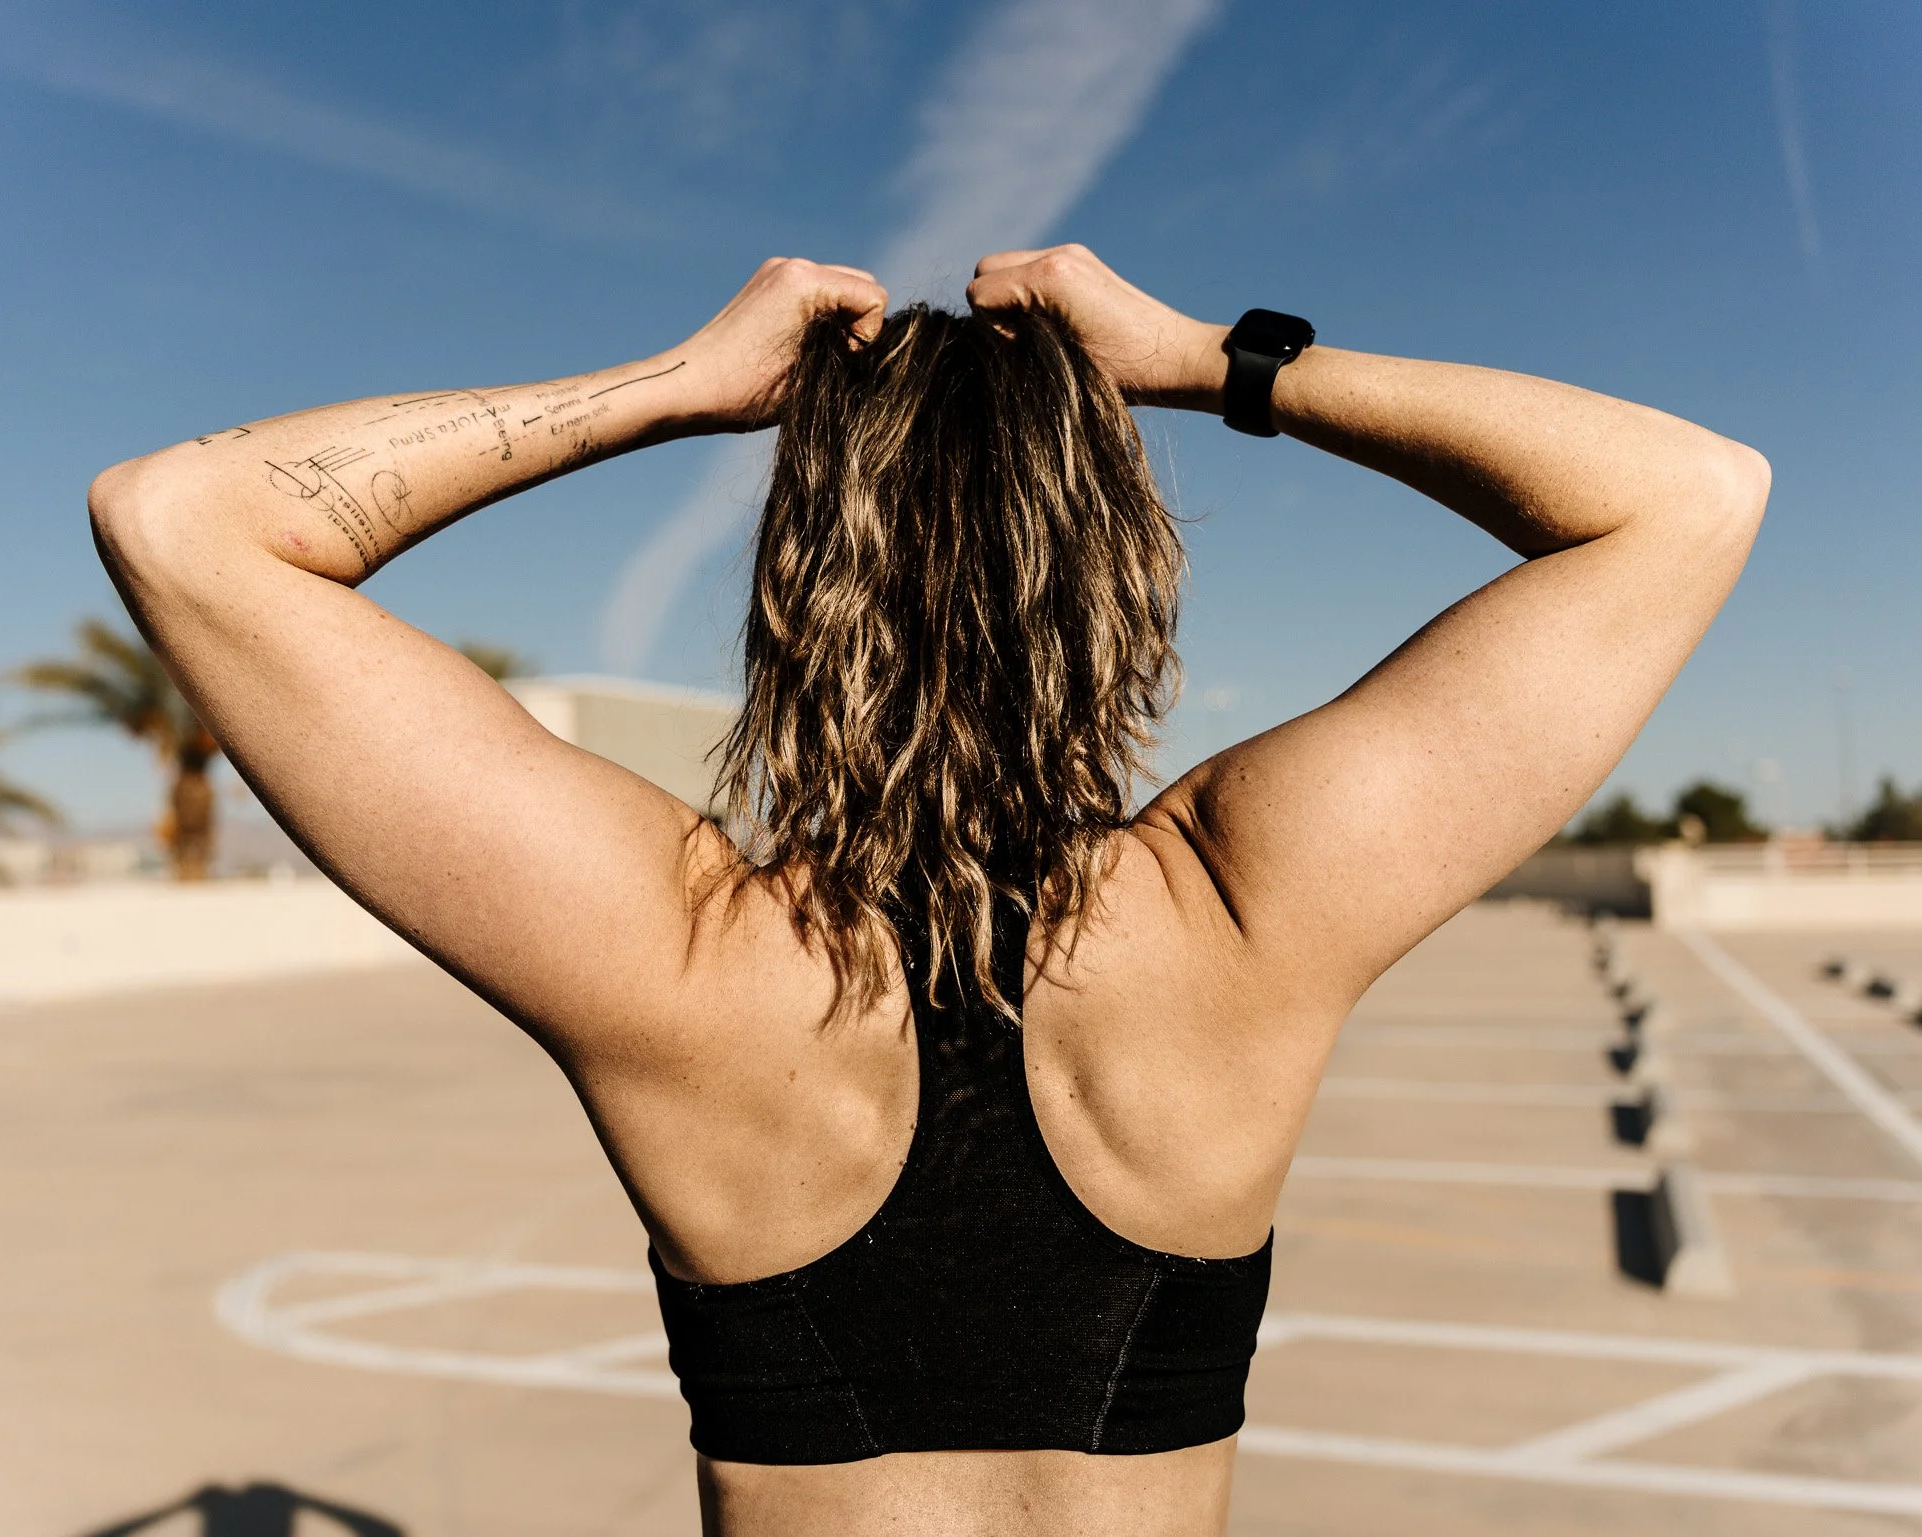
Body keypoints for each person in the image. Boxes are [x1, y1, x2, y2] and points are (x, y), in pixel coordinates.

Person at [90, 247, 1767, 1537]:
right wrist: (1204, 362)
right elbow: (1685, 498)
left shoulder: (680, 957)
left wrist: (679, 383)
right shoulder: (1241, 910)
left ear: (796, 580)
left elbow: (186, 522)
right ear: (1118, 566)